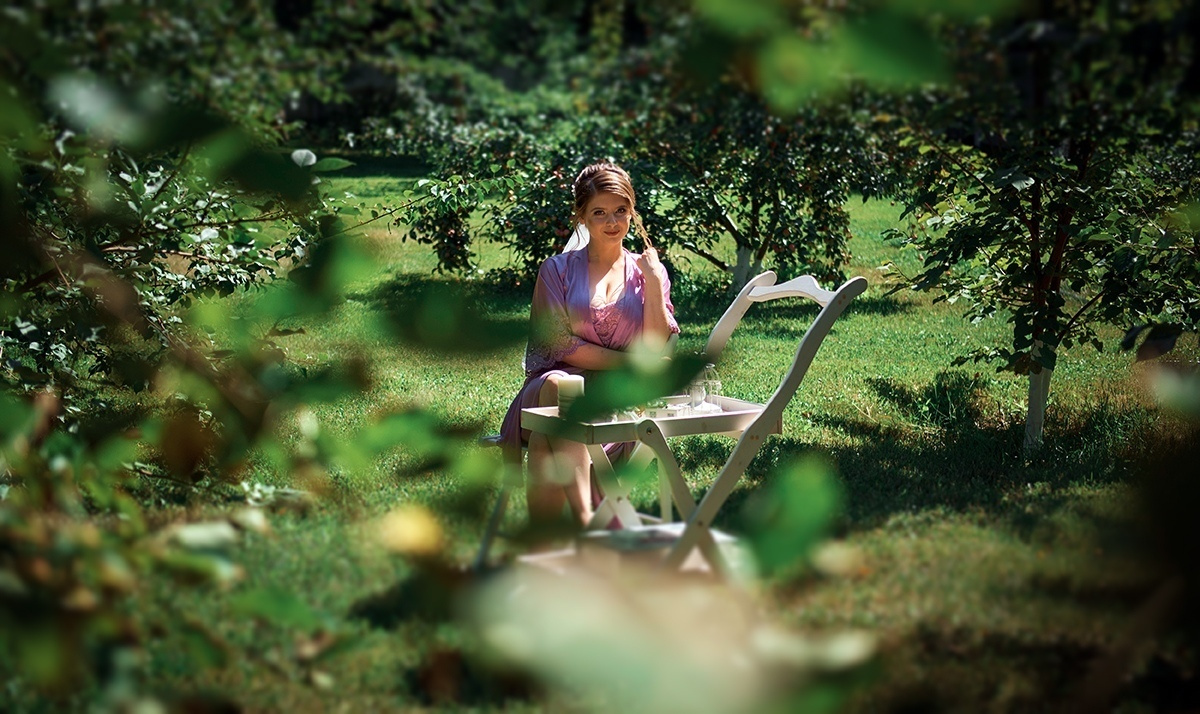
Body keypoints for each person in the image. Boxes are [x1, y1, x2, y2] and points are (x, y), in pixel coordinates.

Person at [498, 161, 680, 529]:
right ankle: (585, 520)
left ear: (632, 212)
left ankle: (545, 546)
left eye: (621, 211)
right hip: (551, 392)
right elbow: (562, 348)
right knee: (559, 385)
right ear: (581, 216)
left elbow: (657, 344)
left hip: (615, 401)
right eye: (599, 213)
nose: (612, 223)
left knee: (548, 443)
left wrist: (655, 282)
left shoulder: (648, 273)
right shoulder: (556, 271)